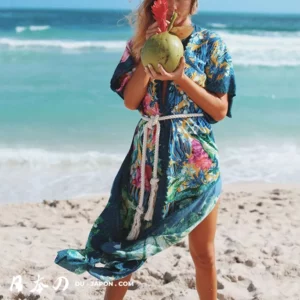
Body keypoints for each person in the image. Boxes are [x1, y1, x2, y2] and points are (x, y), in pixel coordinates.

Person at [54, 0, 236, 299]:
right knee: (126, 247)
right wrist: (148, 52)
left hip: (196, 162)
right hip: (147, 159)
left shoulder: (211, 44)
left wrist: (180, 79)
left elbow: (218, 110)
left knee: (203, 254)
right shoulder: (139, 45)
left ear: (193, 3)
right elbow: (131, 101)